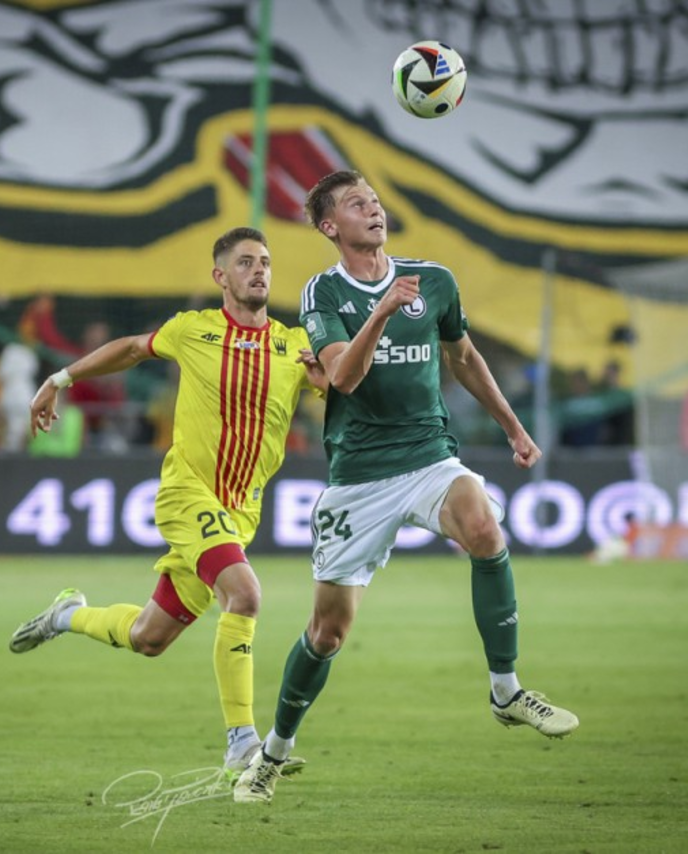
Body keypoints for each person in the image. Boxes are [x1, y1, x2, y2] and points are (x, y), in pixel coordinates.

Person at [235, 171, 578, 805]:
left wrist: (514, 428)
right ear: (330, 226)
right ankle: (272, 754)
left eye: (375, 199)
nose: (374, 209)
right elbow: (342, 378)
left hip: (428, 457)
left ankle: (506, 690)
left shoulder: (434, 281)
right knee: (327, 632)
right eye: (356, 204)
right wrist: (384, 310)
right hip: (359, 478)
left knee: (483, 527)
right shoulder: (322, 292)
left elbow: (464, 358)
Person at [9, 226, 326, 776]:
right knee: (245, 595)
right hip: (187, 494)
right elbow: (132, 349)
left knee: (149, 637)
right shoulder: (192, 329)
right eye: (245, 262)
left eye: (265, 262)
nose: (259, 270)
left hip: (239, 513)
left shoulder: (293, 346)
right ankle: (241, 741)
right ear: (220, 276)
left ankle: (67, 615)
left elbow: (344, 387)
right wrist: (59, 378)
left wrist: (336, 378)